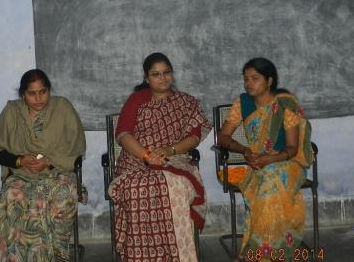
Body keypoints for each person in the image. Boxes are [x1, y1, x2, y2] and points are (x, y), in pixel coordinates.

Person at [108, 52, 212, 262]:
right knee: (136, 189)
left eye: (166, 72)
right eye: (156, 74)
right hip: (135, 161)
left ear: (172, 75)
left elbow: (194, 137)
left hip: (174, 159)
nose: (162, 78)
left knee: (175, 185)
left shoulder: (186, 102)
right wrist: (147, 155)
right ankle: (141, 256)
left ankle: (178, 255)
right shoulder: (136, 100)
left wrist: (169, 150)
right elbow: (123, 134)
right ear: (147, 78)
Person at [0, 69, 86, 262]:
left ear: (49, 90)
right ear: (23, 94)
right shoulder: (13, 112)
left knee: (62, 194)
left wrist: (49, 161)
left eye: (43, 91)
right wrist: (20, 160)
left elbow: (77, 146)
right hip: (21, 174)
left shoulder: (62, 107)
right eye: (32, 93)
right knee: (14, 196)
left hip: (57, 172)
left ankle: (56, 256)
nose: (39, 98)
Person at [217, 57, 314, 261]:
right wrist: (244, 150)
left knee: (270, 180)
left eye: (255, 78)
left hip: (287, 164)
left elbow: (291, 148)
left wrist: (268, 160)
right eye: (246, 79)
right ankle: (269, 250)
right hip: (256, 163)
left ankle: (259, 252)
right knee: (266, 178)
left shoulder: (285, 103)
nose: (248, 83)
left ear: (269, 81)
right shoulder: (242, 103)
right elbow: (223, 136)